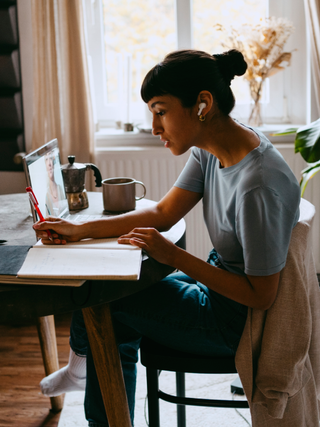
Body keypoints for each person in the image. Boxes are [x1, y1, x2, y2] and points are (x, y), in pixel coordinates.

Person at [34, 49, 301, 426]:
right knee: (104, 284)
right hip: (217, 287)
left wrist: (175, 257)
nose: (155, 127)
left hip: (235, 323)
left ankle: (87, 381)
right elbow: (162, 213)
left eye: (161, 111)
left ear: (202, 105)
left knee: (105, 306)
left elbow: (262, 295)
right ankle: (85, 373)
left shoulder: (258, 186)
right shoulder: (215, 149)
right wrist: (79, 230)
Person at [45, 151, 66, 217]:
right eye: (46, 159)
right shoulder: (46, 195)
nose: (49, 164)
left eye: (51, 158)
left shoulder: (60, 188)